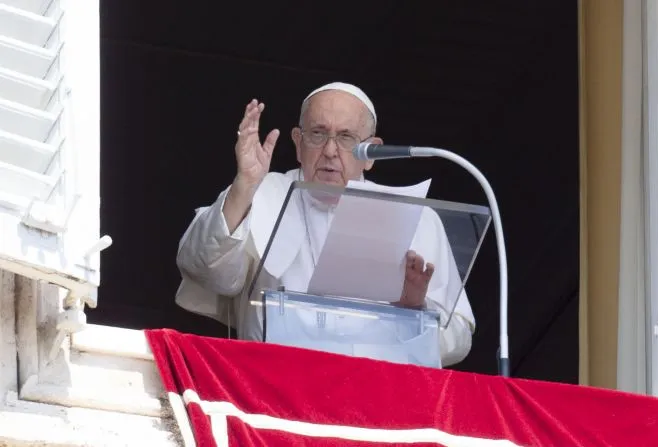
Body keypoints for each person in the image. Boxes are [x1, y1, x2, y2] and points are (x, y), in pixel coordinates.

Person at [175, 82, 475, 367]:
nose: (330, 151)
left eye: (346, 138)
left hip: (374, 397)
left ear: (371, 152)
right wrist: (244, 184)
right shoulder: (262, 192)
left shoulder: (417, 217)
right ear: (297, 142)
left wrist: (413, 311)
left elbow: (458, 337)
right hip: (271, 385)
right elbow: (206, 271)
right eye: (318, 134)